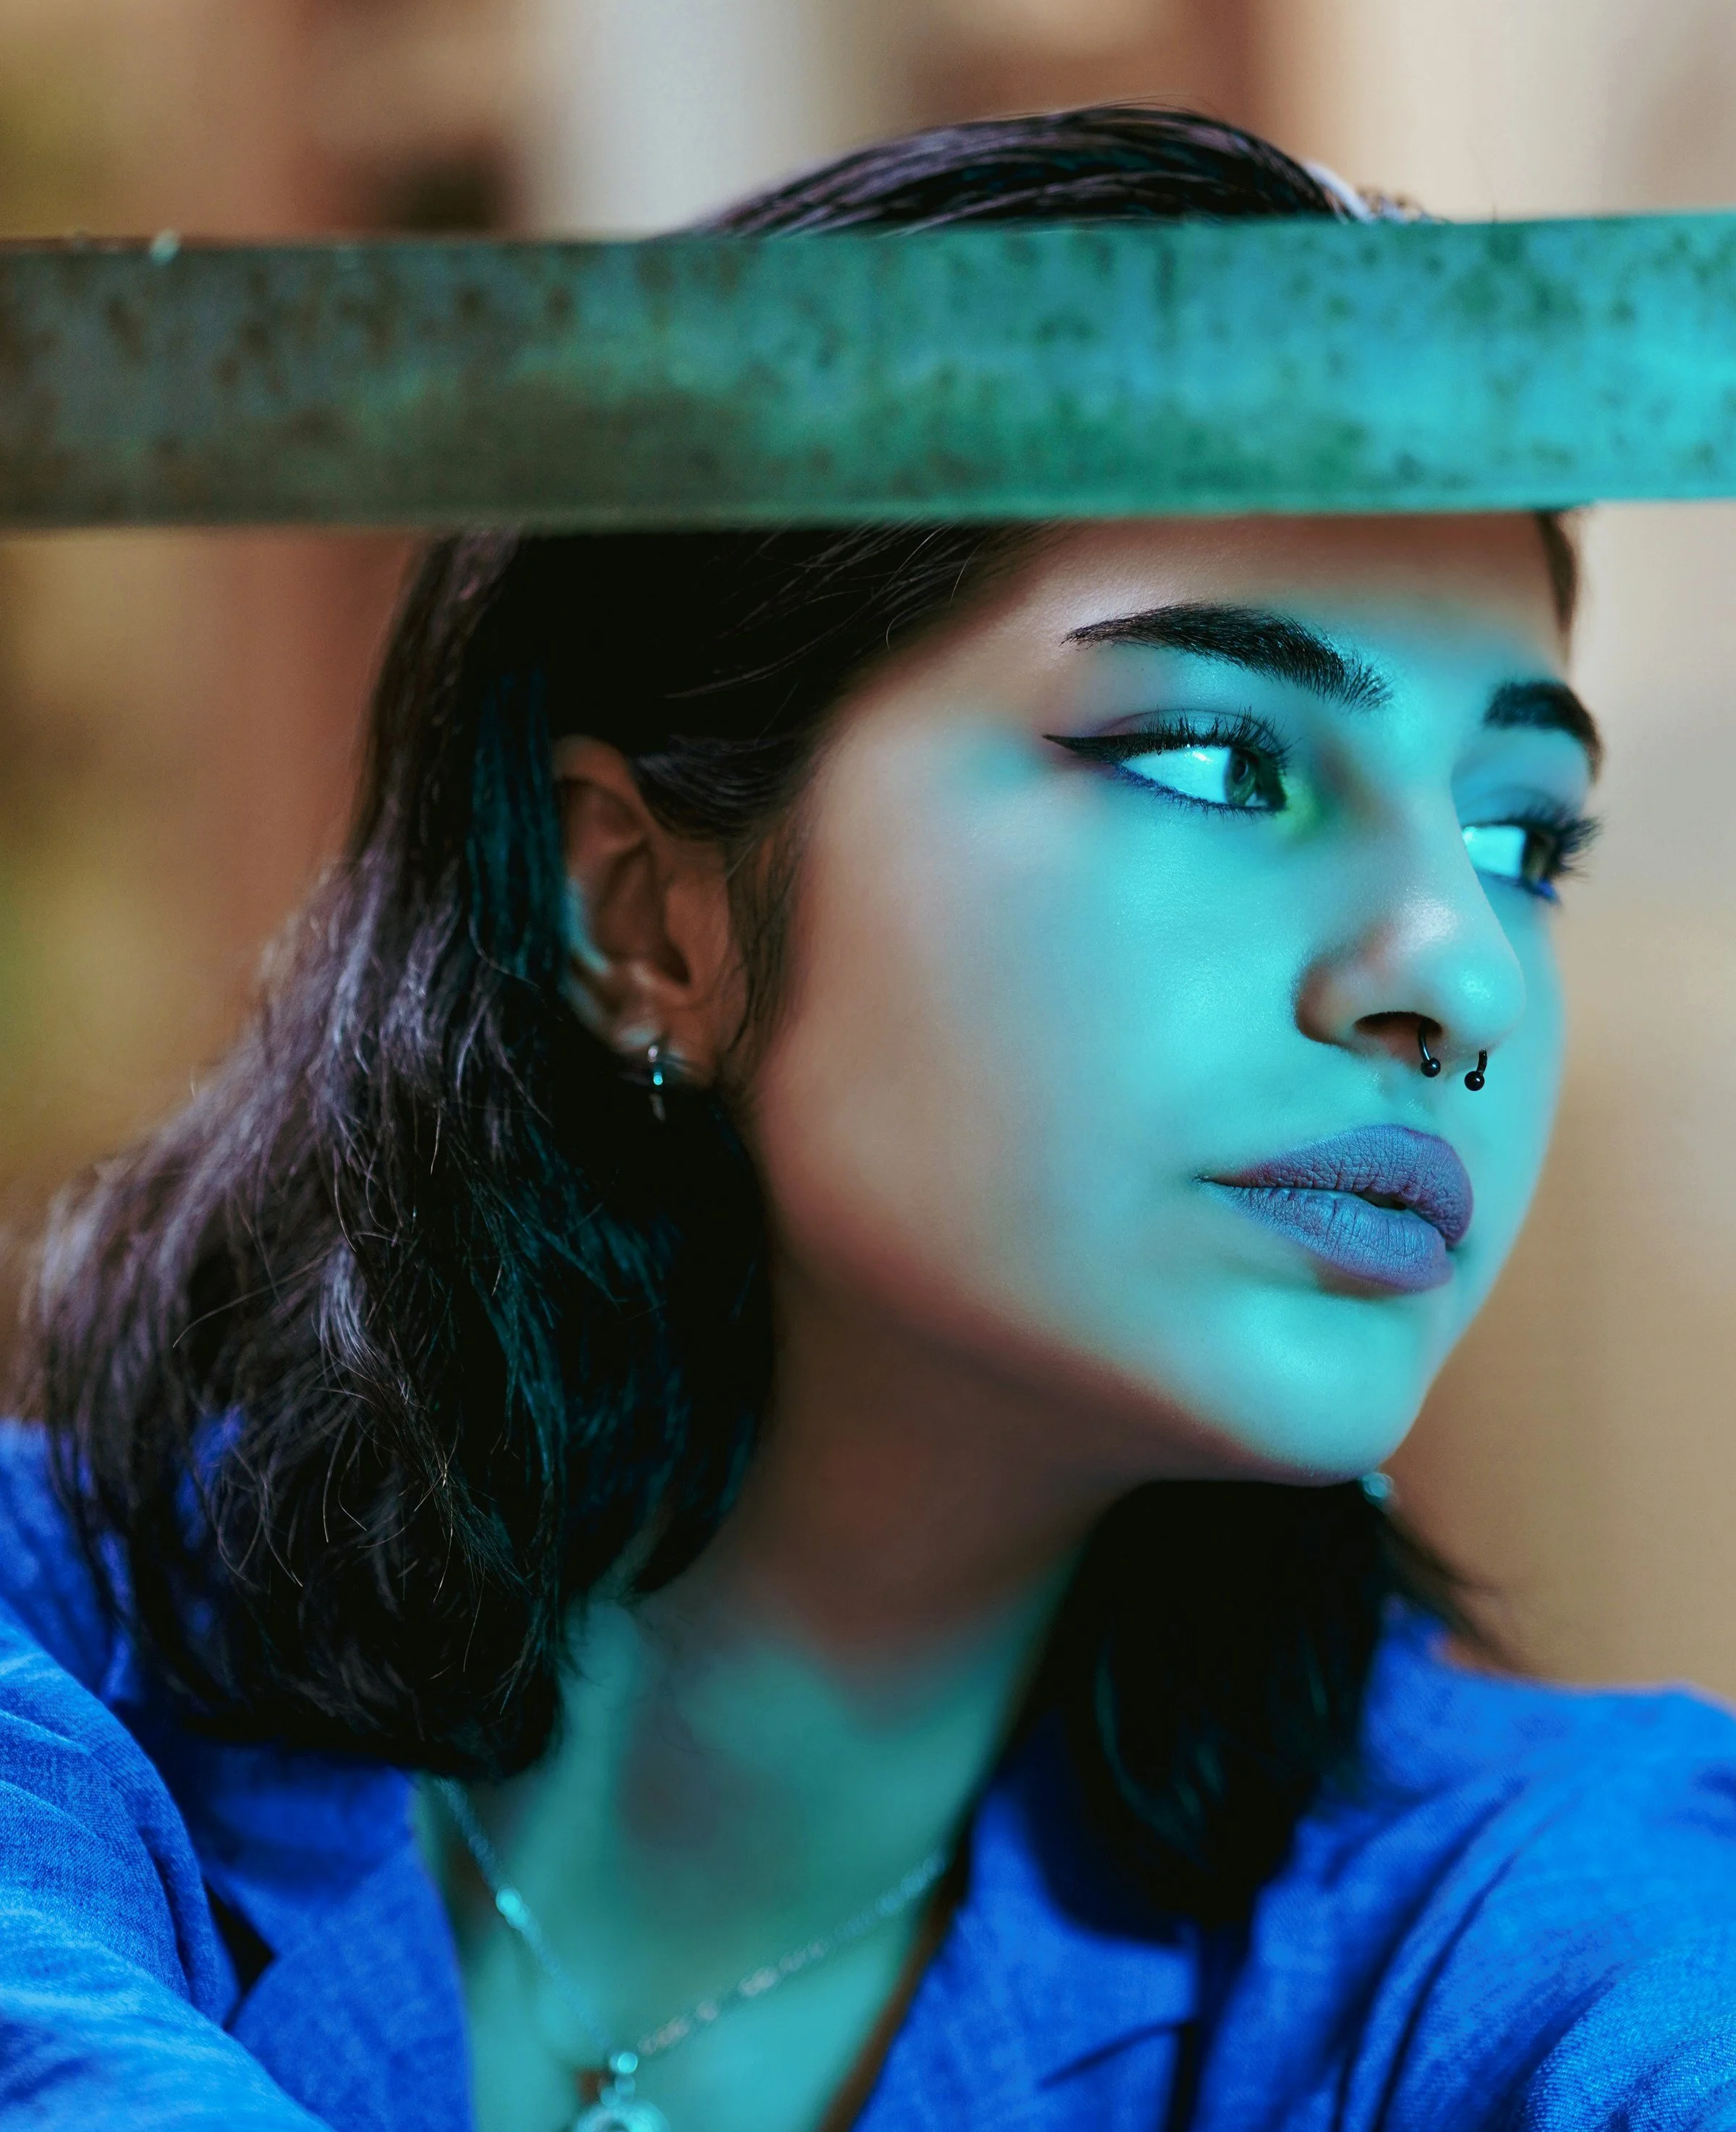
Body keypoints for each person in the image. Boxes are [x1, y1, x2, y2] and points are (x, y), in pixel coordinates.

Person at [6, 106, 1736, 2132]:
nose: (1455, 972)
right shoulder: (60, 1673)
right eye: (1212, 761)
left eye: (1525, 839)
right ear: (644, 915)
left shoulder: (1523, 1901)